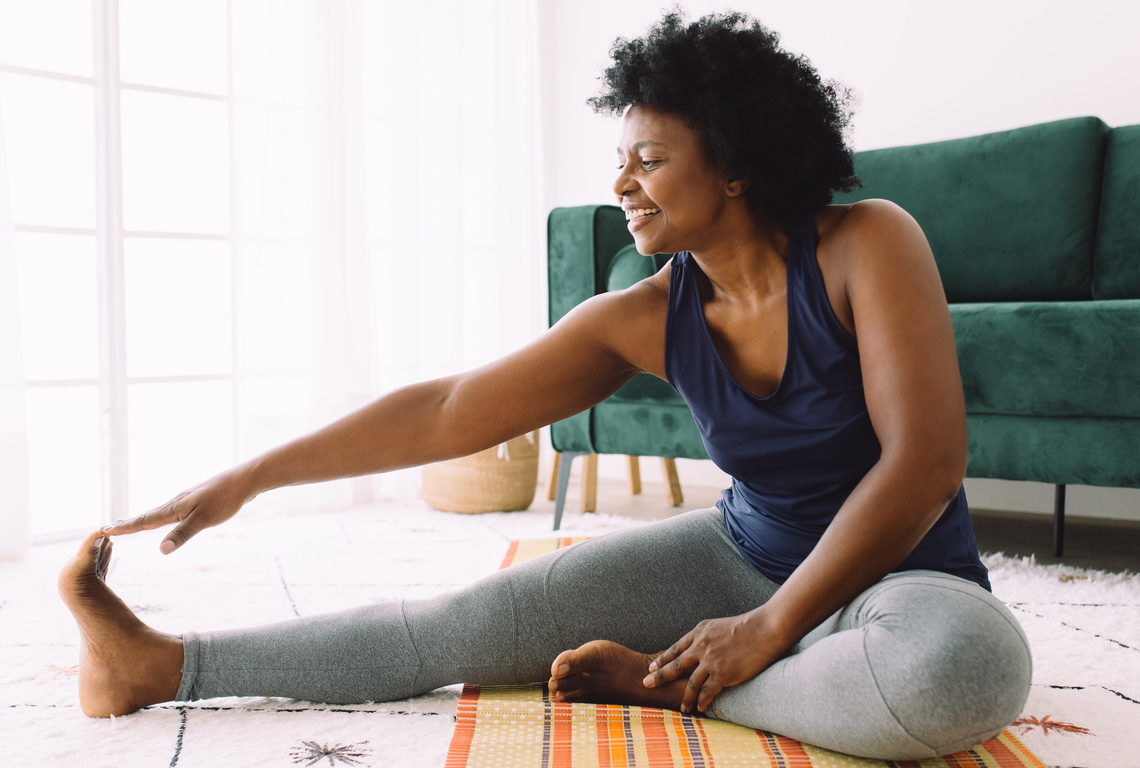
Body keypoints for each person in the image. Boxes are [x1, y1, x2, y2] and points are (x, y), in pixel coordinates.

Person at [58, 11, 1031, 761]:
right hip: (741, 556)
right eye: (620, 161)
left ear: (736, 165)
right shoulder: (642, 313)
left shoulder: (868, 244)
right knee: (465, 625)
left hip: (903, 587)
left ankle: (670, 681)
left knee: (961, 673)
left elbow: (926, 465)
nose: (623, 184)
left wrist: (766, 632)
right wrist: (253, 475)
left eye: (651, 160)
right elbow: (448, 410)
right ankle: (160, 665)